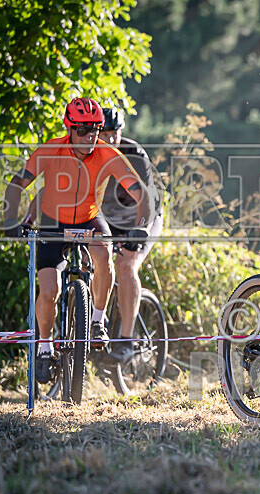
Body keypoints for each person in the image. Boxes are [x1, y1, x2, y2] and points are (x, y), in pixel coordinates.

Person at [3, 97, 150, 384]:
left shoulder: (107, 153)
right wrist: (11, 220)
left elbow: (141, 193)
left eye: (94, 129)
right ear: (69, 129)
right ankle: (45, 347)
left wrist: (141, 226)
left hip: (88, 217)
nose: (90, 135)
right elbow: (17, 184)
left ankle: (97, 320)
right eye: (82, 130)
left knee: (104, 255)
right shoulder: (50, 150)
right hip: (52, 221)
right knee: (49, 291)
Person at [98, 107, 164, 365]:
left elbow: (145, 199)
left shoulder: (134, 154)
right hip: (108, 220)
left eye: (114, 134)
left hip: (142, 217)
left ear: (121, 132)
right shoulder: (87, 153)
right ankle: (94, 317)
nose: (109, 139)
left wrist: (140, 229)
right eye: (104, 133)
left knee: (126, 265)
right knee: (92, 260)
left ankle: (126, 339)